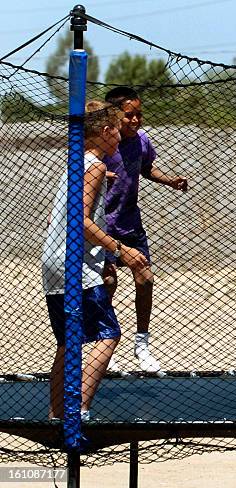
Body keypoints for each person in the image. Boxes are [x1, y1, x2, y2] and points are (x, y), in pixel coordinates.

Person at [43, 101, 149, 420]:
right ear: (105, 132)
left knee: (69, 342)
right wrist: (120, 250)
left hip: (54, 262)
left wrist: (100, 257)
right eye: (117, 129)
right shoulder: (95, 167)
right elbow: (81, 221)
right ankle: (80, 410)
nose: (121, 136)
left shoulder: (77, 162)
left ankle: (56, 416)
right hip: (72, 264)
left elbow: (59, 219)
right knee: (108, 334)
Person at [102, 86, 188, 374]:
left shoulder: (140, 140)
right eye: (130, 115)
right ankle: (106, 344)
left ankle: (142, 343)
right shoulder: (104, 145)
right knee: (108, 283)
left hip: (130, 223)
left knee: (146, 279)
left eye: (139, 114)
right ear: (115, 116)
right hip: (104, 226)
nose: (136, 120)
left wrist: (170, 180)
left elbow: (147, 168)